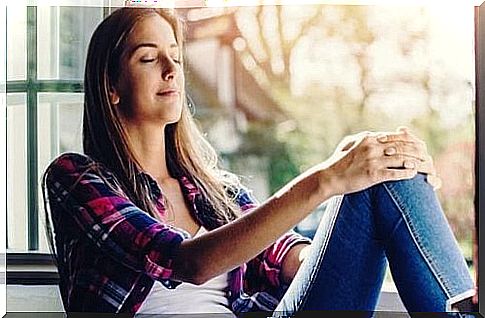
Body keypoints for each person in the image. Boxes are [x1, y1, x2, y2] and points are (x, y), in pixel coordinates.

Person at [41, 7, 475, 317]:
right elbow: (187, 263)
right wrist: (326, 179)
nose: (172, 69)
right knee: (353, 167)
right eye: (149, 58)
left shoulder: (216, 189)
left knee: (380, 164)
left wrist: (350, 230)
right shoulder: (77, 179)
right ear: (111, 86)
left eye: (176, 54)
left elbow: (284, 255)